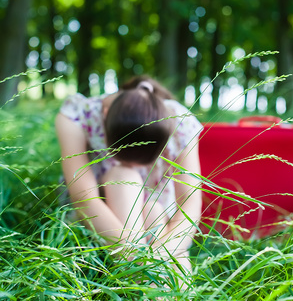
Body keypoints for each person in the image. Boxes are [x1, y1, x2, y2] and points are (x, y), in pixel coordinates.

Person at [55, 75, 203, 273]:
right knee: (124, 177)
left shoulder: (178, 122)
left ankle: (157, 286)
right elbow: (84, 199)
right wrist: (138, 262)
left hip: (154, 211)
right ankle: (150, 281)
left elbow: (190, 202)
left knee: (154, 212)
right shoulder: (78, 115)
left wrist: (158, 256)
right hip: (98, 214)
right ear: (105, 115)